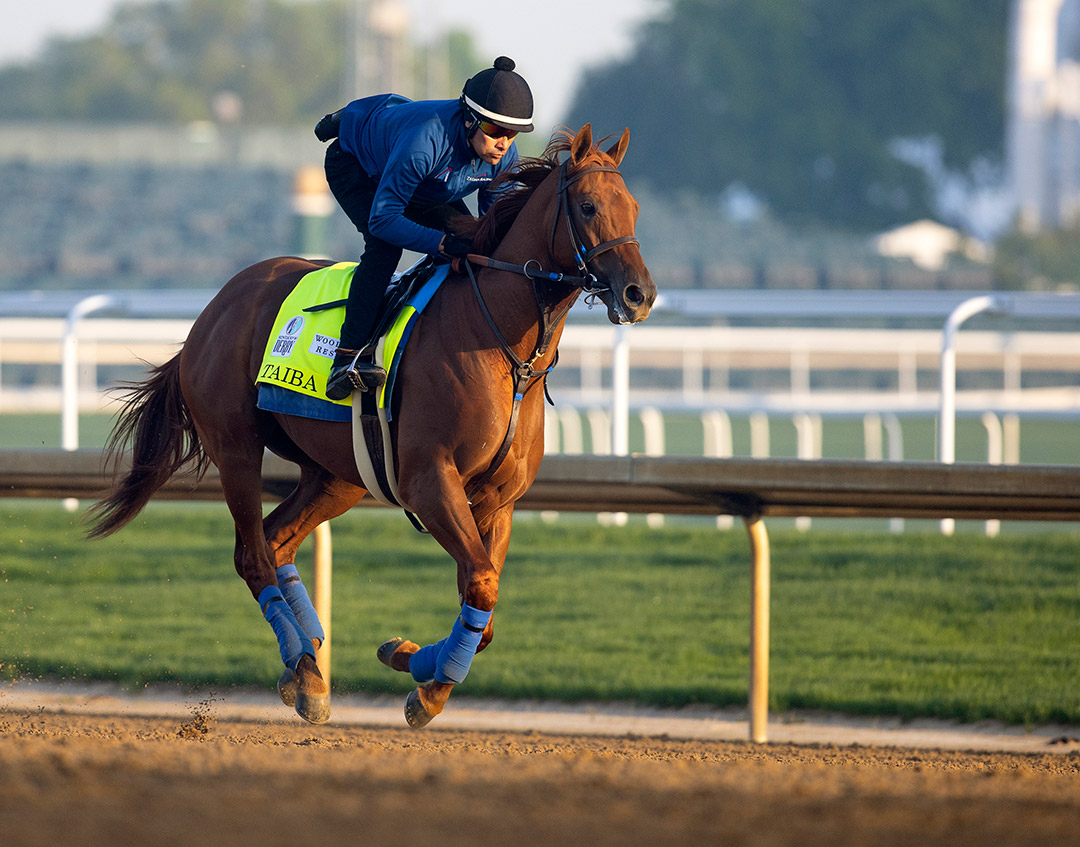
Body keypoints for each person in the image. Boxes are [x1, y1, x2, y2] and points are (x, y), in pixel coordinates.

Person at [315, 56, 535, 400]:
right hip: (359, 164)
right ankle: (347, 358)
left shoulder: (504, 157)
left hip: (427, 180)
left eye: (511, 133)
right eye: (494, 130)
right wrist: (442, 243)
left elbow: (492, 234)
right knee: (384, 246)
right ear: (469, 120)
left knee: (472, 242)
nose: (503, 143)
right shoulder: (425, 143)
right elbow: (383, 218)